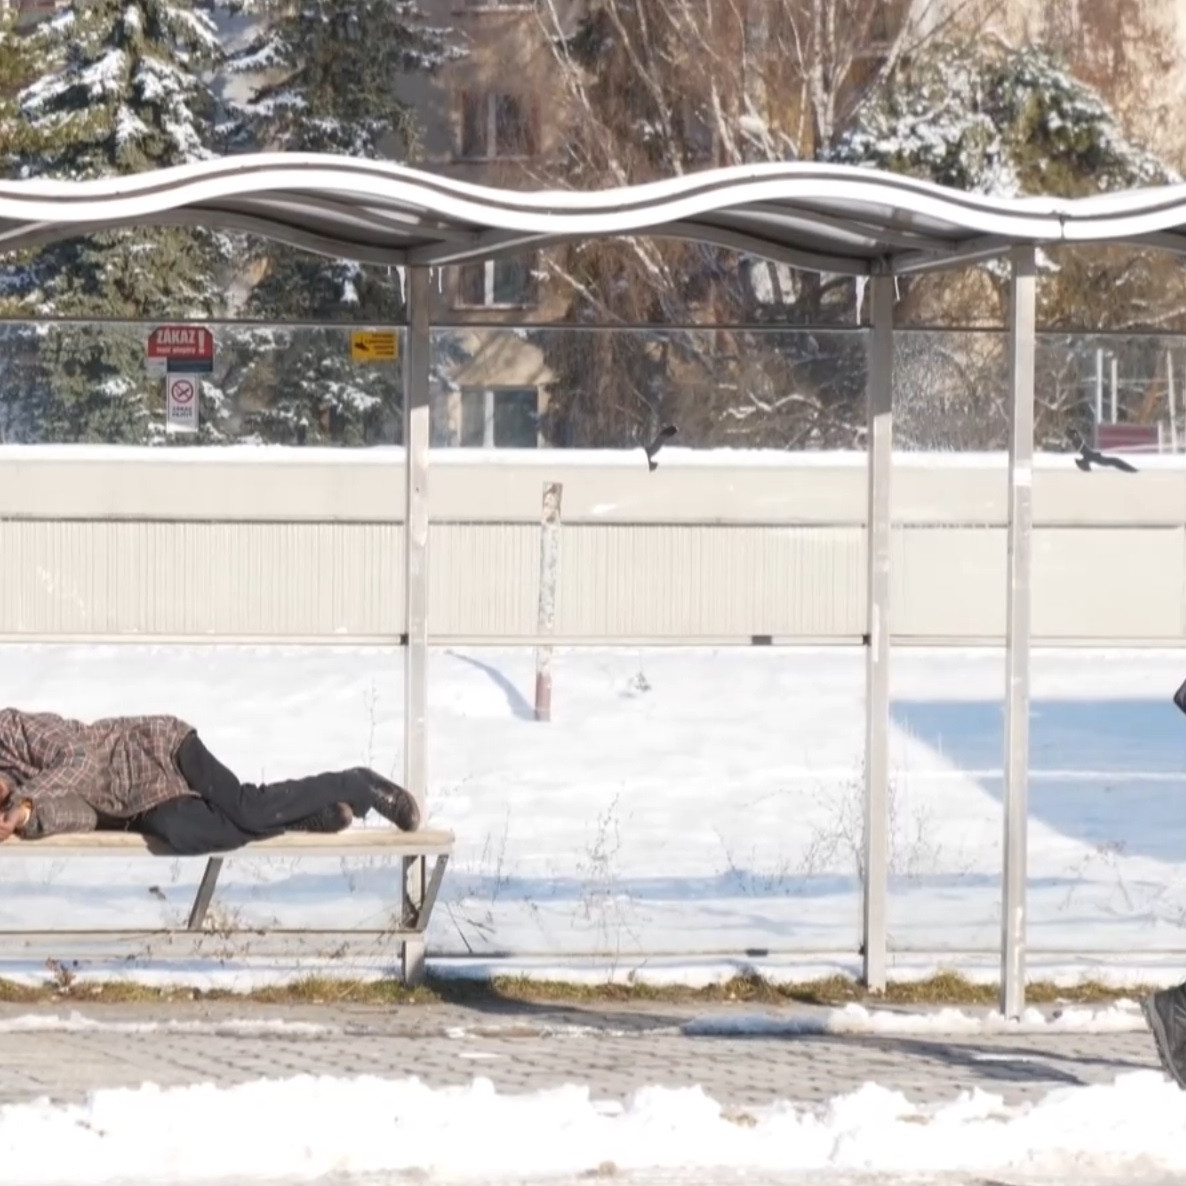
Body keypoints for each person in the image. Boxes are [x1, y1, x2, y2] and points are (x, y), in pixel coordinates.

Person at [0, 707, 420, 855]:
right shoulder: (22, 795)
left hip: (155, 748)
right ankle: (298, 817)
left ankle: (355, 784)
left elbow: (78, 759)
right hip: (138, 805)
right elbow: (79, 812)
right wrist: (29, 817)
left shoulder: (13, 728)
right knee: (188, 833)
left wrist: (25, 796)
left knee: (243, 807)